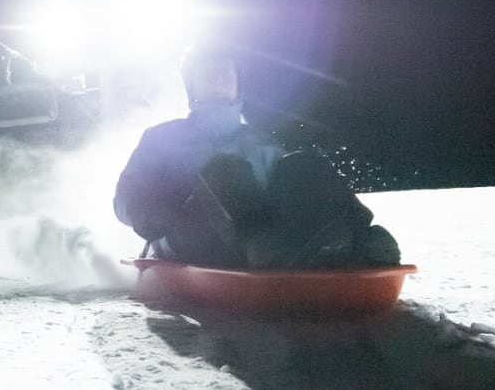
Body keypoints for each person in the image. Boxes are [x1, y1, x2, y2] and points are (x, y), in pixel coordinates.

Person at [113, 42, 400, 269]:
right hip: (186, 235)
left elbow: (290, 189)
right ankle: (265, 247)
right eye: (209, 72)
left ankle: (358, 238)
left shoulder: (257, 142)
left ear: (239, 83)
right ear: (192, 86)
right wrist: (144, 210)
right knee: (224, 170)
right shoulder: (163, 138)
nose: (220, 77)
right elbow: (127, 193)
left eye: (226, 72)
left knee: (303, 163)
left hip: (267, 244)